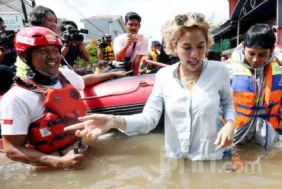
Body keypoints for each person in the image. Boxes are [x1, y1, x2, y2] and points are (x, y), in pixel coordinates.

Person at [65, 13, 236, 160]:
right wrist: (113, 121)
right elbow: (149, 119)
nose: (194, 54)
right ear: (174, 47)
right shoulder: (164, 76)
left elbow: (228, 103)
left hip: (213, 156)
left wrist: (229, 124)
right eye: (186, 47)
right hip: (178, 159)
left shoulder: (219, 71)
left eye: (201, 47)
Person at [0, 27, 88, 169]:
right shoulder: (16, 98)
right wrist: (60, 162)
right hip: (50, 165)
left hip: (82, 151)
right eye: (43, 51)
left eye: (55, 50)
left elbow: (86, 81)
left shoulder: (66, 75)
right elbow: (12, 150)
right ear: (25, 56)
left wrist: (112, 75)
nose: (53, 56)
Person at [228, 24, 282, 147]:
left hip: (267, 128)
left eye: (262, 55)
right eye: (251, 53)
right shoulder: (228, 69)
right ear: (243, 47)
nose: (255, 59)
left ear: (272, 50)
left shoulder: (279, 70)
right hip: (237, 130)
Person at [16, 6, 58, 78]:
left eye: (55, 21)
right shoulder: (29, 38)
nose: (54, 24)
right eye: (49, 20)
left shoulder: (52, 40)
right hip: (31, 80)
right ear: (37, 21)